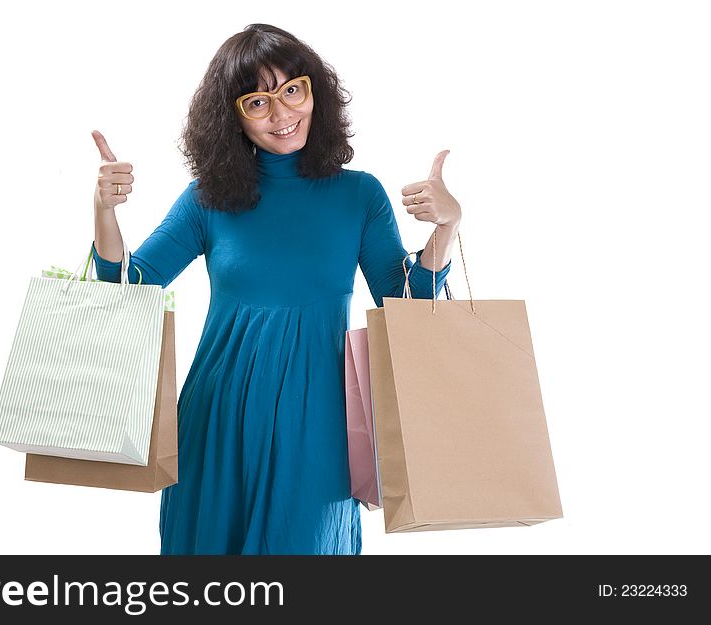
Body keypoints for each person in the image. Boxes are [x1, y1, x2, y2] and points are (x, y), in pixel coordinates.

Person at [91, 24, 462, 555]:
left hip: (320, 427)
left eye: (293, 90)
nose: (283, 114)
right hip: (217, 421)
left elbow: (408, 306)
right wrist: (103, 210)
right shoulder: (209, 198)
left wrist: (446, 227)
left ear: (316, 93)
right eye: (257, 101)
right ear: (232, 117)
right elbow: (128, 285)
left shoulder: (358, 194)